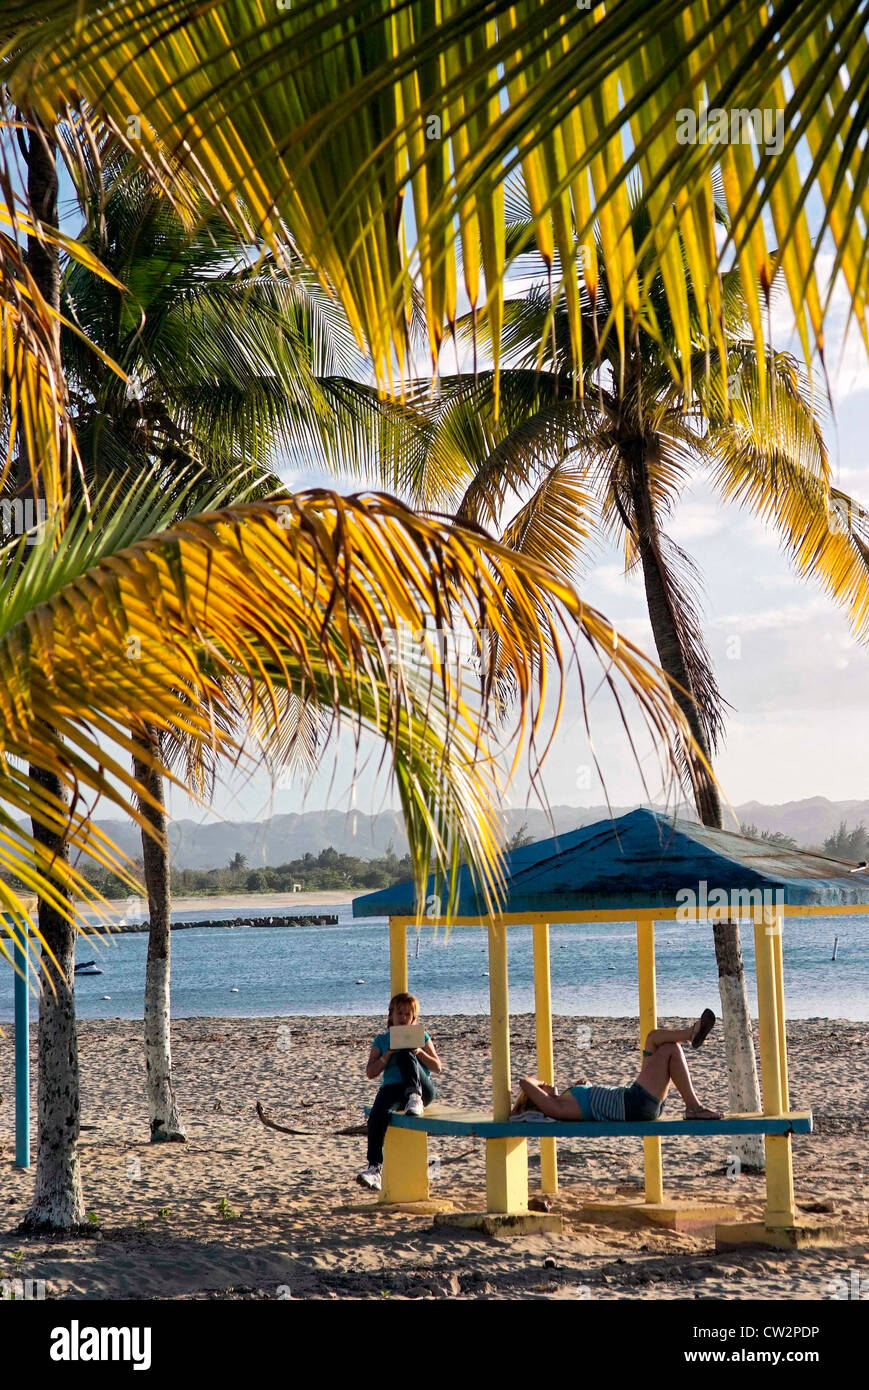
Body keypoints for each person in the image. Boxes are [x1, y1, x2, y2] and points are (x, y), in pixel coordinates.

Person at [516, 1009, 723, 1123]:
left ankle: (691, 1033)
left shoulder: (564, 1101)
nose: (545, 1082)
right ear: (537, 1100)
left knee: (652, 1038)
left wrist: (585, 1087)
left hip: (635, 1099)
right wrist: (538, 1086)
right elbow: (524, 1082)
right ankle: (693, 1107)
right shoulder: (557, 1108)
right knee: (670, 1049)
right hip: (634, 1104)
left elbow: (596, 1103)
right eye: (541, 1086)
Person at [357, 992, 441, 1190]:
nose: (403, 1018)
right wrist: (388, 1054)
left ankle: (414, 1096)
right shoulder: (381, 1040)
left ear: (413, 1018)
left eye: (407, 1014)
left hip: (423, 1088)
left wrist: (418, 1051)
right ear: (391, 1015)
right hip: (394, 1088)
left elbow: (437, 1067)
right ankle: (375, 1168)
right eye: (399, 1013)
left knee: (406, 1051)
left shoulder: (421, 1036)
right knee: (377, 1114)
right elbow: (370, 1072)